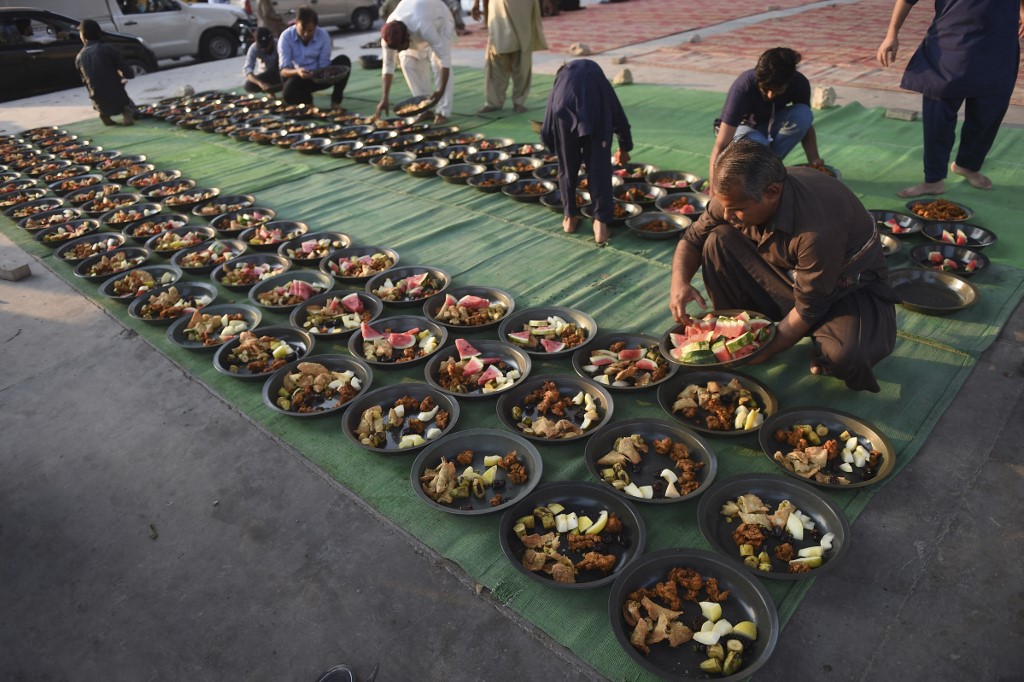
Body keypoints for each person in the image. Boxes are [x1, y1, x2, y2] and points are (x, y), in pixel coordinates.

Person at [669, 139, 899, 393]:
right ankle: (740, 329)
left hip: (848, 286)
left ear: (772, 192)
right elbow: (692, 239)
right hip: (793, 274)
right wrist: (679, 283)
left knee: (846, 357)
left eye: (737, 210)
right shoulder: (735, 195)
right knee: (717, 239)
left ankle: (823, 338)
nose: (726, 215)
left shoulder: (818, 231)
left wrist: (760, 353)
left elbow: (809, 308)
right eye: (723, 206)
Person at [876, 0, 1024, 198]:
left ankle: (967, 165)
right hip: (949, 45)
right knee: (937, 119)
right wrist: (891, 34)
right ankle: (933, 180)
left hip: (998, 47)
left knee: (988, 115)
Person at [540, 59, 633, 245]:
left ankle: (570, 217)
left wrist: (551, 144)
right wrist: (624, 148)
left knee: (567, 167)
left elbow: (548, 120)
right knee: (599, 167)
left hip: (563, 111)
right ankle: (600, 223)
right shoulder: (599, 81)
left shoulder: (561, 81)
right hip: (596, 110)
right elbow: (619, 116)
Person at [707, 47, 823, 196]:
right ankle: (760, 168)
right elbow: (721, 144)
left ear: (789, 81)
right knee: (758, 143)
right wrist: (714, 191)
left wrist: (814, 161)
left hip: (768, 126)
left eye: (776, 89)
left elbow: (806, 125)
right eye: (766, 88)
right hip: (741, 131)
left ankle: (766, 169)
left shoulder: (799, 83)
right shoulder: (744, 86)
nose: (770, 94)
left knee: (803, 114)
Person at [376, 0, 456, 124]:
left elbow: (444, 59)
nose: (398, 50)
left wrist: (440, 92)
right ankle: (424, 108)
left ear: (407, 37)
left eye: (400, 47)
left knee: (437, 63)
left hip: (439, 21)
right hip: (418, 19)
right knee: (407, 61)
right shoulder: (388, 36)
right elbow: (388, 65)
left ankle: (442, 111)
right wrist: (384, 98)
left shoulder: (422, 25)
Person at [471, 0, 547, 114]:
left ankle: (519, 101)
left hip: (522, 6)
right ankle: (493, 102)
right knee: (497, 50)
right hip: (498, 4)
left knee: (522, 51)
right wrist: (476, 3)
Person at [278, 6, 351, 109]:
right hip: (300, 77)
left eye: (310, 31)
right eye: (302, 30)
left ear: (315, 27)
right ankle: (307, 102)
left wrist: (321, 73)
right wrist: (298, 71)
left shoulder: (323, 35)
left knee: (344, 61)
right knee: (287, 95)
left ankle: (336, 101)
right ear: (296, 22)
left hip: (321, 75)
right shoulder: (286, 37)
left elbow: (324, 64)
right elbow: (283, 70)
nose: (306, 34)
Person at [75, 19, 136, 127]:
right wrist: (121, 77)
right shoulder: (107, 49)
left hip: (98, 101)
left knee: (100, 90)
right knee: (129, 106)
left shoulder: (79, 57)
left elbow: (86, 82)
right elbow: (130, 74)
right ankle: (127, 112)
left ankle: (104, 114)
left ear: (83, 36)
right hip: (118, 98)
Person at [243, 27, 281, 93]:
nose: (264, 49)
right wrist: (260, 83)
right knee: (248, 85)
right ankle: (268, 90)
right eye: (261, 47)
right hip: (266, 74)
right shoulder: (253, 48)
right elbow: (248, 71)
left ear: (271, 39)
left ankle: (282, 88)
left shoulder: (279, 44)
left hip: (280, 73)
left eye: (266, 46)